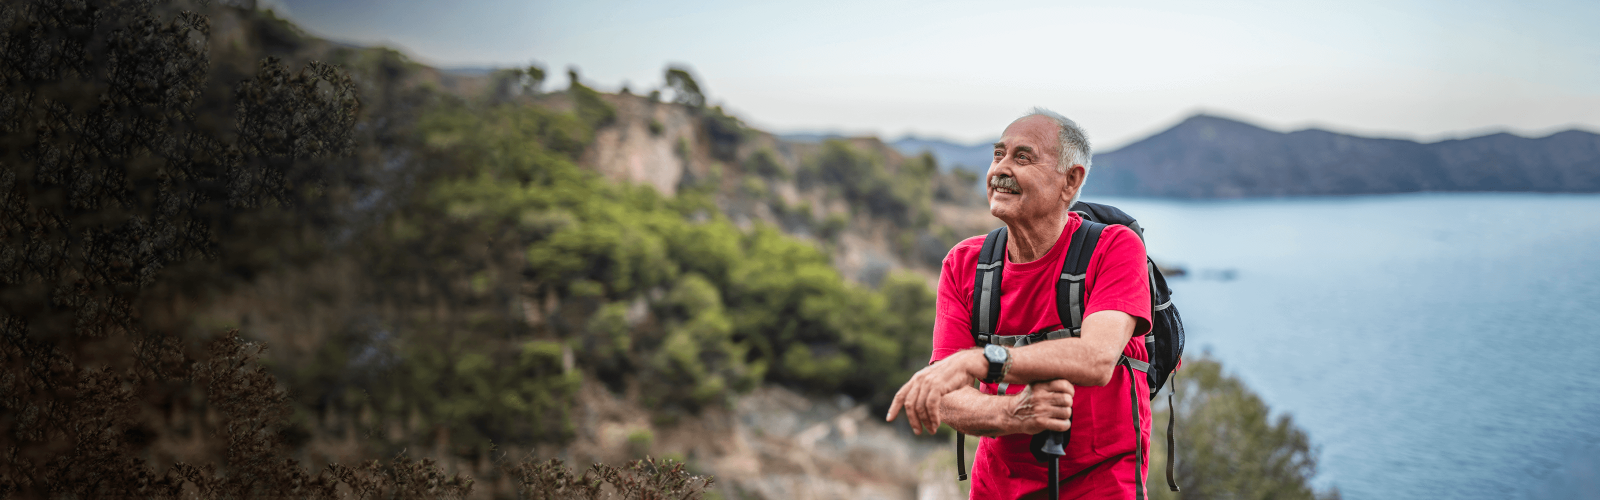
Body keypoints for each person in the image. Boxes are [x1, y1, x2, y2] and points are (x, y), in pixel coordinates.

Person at [887, 108, 1153, 499]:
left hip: (1102, 484)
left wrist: (981, 360)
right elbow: (947, 398)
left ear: (1071, 180)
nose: (1000, 170)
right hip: (996, 487)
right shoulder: (965, 263)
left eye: (1022, 157)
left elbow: (1096, 359)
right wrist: (1012, 415)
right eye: (998, 155)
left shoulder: (1113, 247)